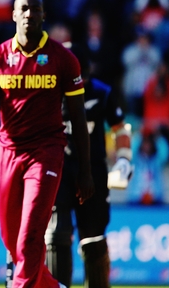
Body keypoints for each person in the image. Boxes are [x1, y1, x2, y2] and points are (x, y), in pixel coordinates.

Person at [0, 0, 95, 288]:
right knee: (15, 245)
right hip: (8, 152)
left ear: (44, 15)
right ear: (13, 15)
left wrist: (85, 171)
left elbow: (78, 118)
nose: (29, 14)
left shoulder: (63, 59)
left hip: (46, 152)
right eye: (23, 9)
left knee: (29, 239)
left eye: (35, 9)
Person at [45, 43, 134, 288]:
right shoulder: (48, 91)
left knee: (93, 238)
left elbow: (120, 128)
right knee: (56, 234)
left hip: (93, 171)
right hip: (59, 170)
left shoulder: (101, 92)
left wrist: (124, 158)